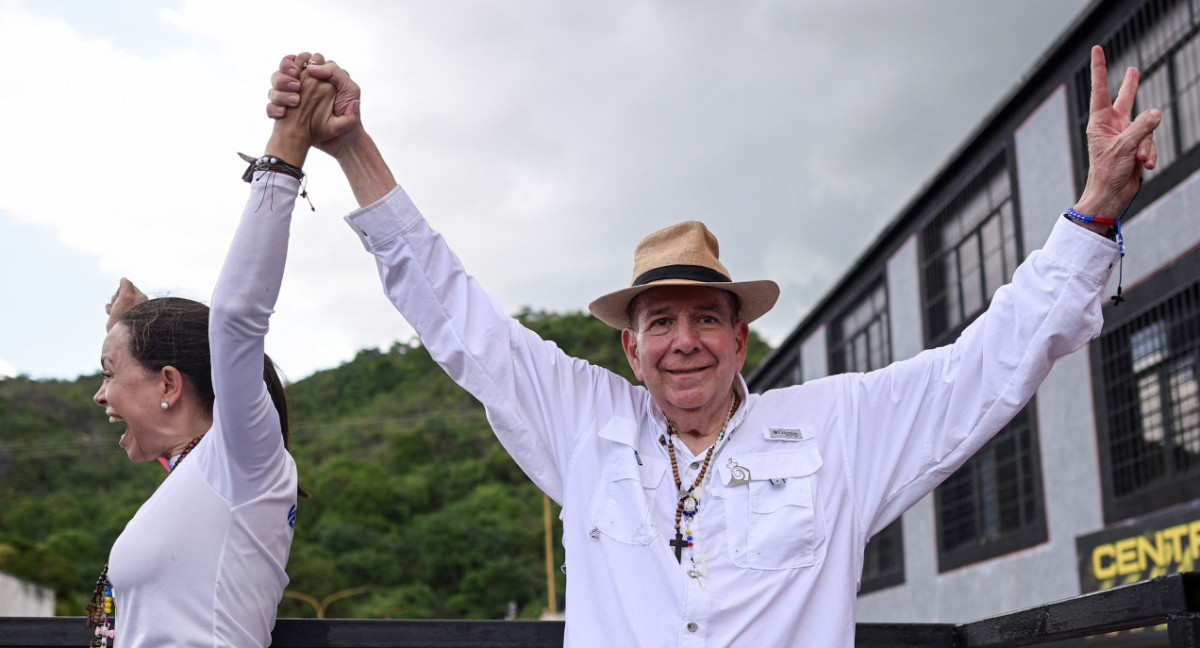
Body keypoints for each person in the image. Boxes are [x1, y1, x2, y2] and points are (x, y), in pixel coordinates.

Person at [267, 45, 1160, 646]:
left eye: (705, 319)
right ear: (630, 346)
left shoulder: (837, 427)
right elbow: (455, 316)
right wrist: (353, 148)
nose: (683, 341)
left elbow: (987, 367)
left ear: (741, 339)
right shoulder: (582, 427)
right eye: (660, 320)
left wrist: (1094, 210)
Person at [86, 59, 336, 647]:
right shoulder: (208, 473)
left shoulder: (243, 458)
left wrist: (285, 148)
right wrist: (133, 327)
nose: (99, 394)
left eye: (108, 374)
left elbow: (235, 319)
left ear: (170, 385)